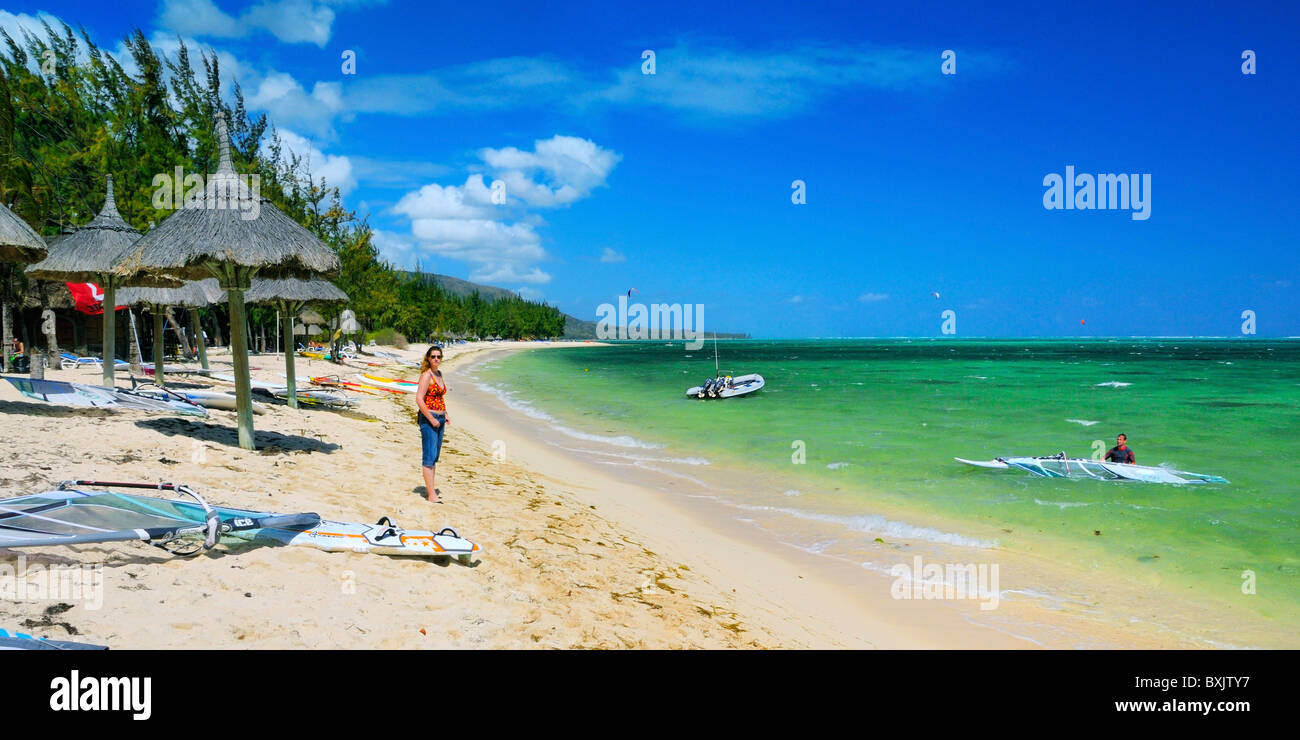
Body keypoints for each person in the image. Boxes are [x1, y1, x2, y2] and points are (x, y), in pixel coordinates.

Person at [415, 345, 449, 503]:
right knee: (429, 456)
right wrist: (431, 418)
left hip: (440, 419)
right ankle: (431, 495)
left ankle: (431, 490)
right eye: (433, 356)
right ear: (428, 358)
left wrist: (445, 414)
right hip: (430, 419)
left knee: (434, 456)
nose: (436, 359)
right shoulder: (426, 375)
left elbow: (439, 397)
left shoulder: (439, 374)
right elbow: (419, 399)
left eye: (439, 356)